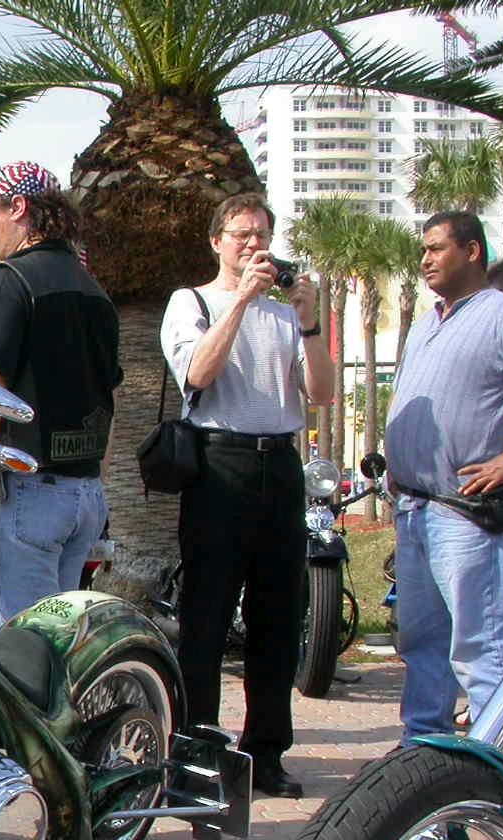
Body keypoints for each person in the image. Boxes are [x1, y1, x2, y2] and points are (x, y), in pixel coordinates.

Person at [158, 192, 333, 798]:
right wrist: (240, 301)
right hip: (218, 463)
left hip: (279, 463)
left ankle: (267, 750)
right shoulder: (192, 302)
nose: (254, 244)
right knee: (206, 617)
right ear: (217, 242)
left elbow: (321, 392)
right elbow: (198, 373)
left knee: (278, 616)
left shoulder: (284, 315)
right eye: (241, 234)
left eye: (262, 234)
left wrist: (308, 322)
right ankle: (197, 753)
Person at [0, 162, 121, 643]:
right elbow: (108, 401)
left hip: (25, 499)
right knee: (51, 650)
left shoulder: (7, 281)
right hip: (84, 496)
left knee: (5, 655)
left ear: (17, 208)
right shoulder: (93, 290)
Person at [386, 211, 503, 738]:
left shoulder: (502, 314)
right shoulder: (425, 323)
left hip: (467, 518)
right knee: (422, 649)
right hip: (415, 512)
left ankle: (497, 769)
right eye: (423, 250)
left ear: (472, 251)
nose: (426, 259)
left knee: (483, 652)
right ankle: (424, 761)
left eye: (437, 248)